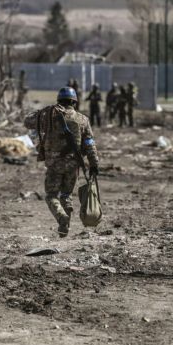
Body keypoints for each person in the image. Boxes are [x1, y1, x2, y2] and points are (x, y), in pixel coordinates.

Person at [24, 87, 100, 237]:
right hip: (73, 164)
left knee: (51, 195)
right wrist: (94, 164)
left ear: (59, 100)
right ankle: (65, 227)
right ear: (74, 102)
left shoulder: (48, 115)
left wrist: (43, 111)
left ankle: (61, 217)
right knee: (66, 195)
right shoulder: (83, 120)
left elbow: (27, 121)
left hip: (54, 164)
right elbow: (90, 143)